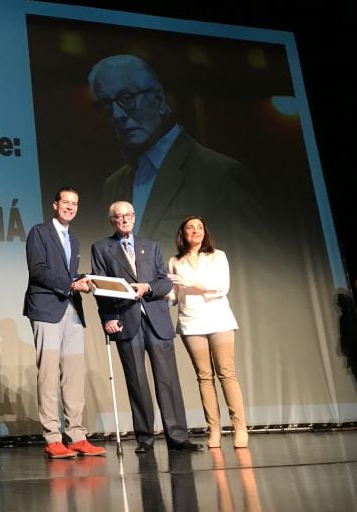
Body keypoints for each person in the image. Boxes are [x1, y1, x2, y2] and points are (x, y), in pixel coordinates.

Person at [86, 54, 262, 254]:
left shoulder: (221, 175)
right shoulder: (114, 184)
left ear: (159, 99)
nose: (117, 115)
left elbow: (252, 269)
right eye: (106, 105)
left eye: (127, 99)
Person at [91, 200, 202, 453]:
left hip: (157, 320)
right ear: (112, 220)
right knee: (137, 382)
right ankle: (145, 438)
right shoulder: (101, 248)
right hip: (126, 321)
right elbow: (100, 287)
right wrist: (108, 316)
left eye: (128, 215)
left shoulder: (150, 246)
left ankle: (177, 436)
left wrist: (148, 288)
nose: (124, 219)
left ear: (134, 217)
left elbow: (164, 282)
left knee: (168, 380)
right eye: (118, 216)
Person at [23, 187, 106, 458]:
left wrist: (88, 280)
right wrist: (72, 283)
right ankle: (52, 437)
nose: (70, 207)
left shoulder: (75, 239)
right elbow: (38, 271)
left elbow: (68, 274)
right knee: (48, 374)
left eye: (75, 203)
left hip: (71, 310)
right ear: (55, 205)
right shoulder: (39, 232)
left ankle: (77, 435)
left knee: (73, 374)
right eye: (66, 202)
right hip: (47, 309)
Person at [167, 216, 248, 449]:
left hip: (218, 319)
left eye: (199, 227)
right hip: (191, 323)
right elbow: (173, 296)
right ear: (182, 233)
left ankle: (239, 427)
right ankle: (214, 429)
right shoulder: (174, 261)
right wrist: (153, 290)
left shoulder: (217, 255)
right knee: (204, 377)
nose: (195, 231)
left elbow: (221, 286)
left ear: (205, 232)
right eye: (190, 227)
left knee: (226, 373)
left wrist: (189, 281)